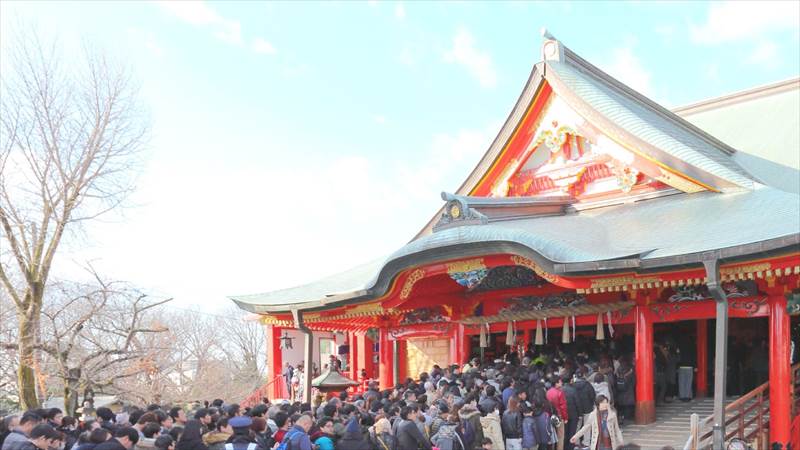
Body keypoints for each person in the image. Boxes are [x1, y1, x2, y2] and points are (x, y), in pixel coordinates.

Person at [546, 376, 568, 450]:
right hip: (559, 416)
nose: (561, 382)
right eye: (560, 381)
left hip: (549, 416)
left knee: (552, 436)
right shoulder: (560, 393)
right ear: (556, 383)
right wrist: (565, 418)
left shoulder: (548, 392)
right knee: (560, 436)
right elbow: (563, 407)